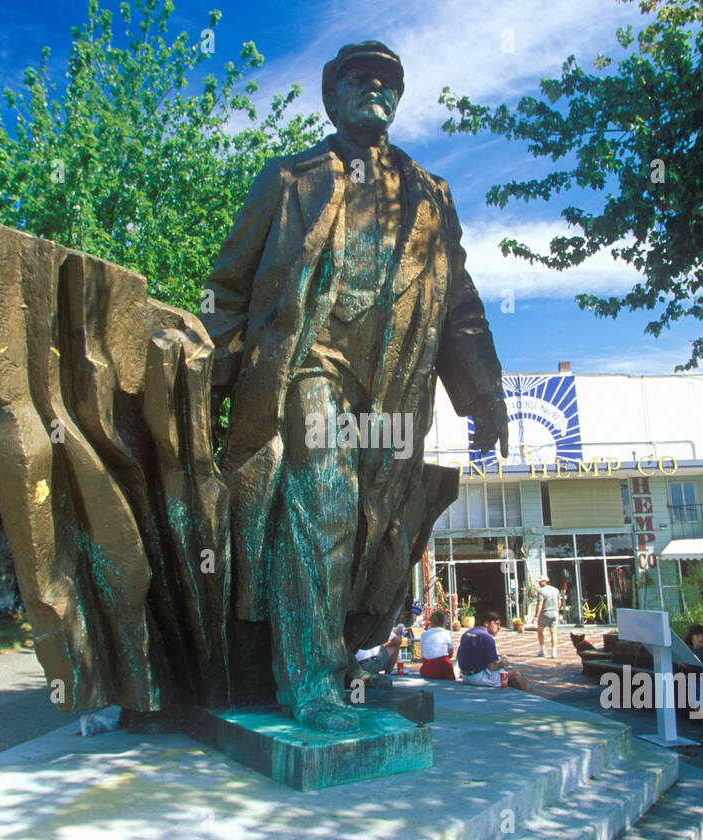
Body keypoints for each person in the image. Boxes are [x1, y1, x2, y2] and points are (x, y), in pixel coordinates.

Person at [201, 41, 509, 731]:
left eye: (387, 80)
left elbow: (459, 302)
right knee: (326, 498)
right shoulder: (288, 178)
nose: (376, 88)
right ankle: (307, 680)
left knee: (375, 523)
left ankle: (339, 659)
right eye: (360, 78)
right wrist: (203, 374)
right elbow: (225, 288)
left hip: (397, 382)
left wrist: (484, 395)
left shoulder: (432, 193)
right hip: (312, 361)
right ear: (332, 96)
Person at [457, 611, 530, 690]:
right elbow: (492, 667)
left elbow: (459, 656)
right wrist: (503, 663)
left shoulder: (468, 633)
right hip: (478, 678)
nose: (499, 627)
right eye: (496, 624)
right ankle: (530, 694)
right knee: (516, 674)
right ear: (486, 623)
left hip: (465, 677)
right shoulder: (487, 638)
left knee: (507, 676)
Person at [418, 610, 456, 680]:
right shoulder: (447, 633)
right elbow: (450, 654)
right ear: (444, 622)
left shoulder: (424, 634)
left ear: (431, 622)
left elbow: (424, 653)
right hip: (443, 668)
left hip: (427, 669)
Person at [531, 576, 561, 657]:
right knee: (553, 632)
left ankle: (542, 649)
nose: (539, 583)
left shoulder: (541, 591)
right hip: (555, 612)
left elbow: (539, 604)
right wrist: (557, 610)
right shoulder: (556, 590)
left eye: (540, 581)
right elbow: (559, 603)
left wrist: (536, 616)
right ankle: (554, 652)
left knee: (540, 630)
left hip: (545, 612)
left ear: (545, 581)